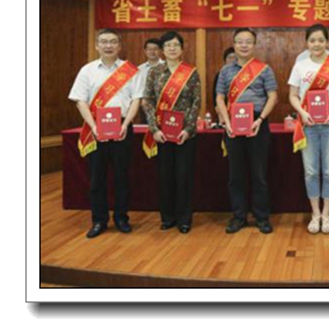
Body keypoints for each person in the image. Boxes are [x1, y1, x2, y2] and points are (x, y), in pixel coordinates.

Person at [68, 28, 144, 238]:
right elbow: (80, 101)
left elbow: (137, 99)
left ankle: (121, 218)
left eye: (112, 41)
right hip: (95, 127)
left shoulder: (130, 70)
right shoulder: (87, 70)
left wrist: (126, 124)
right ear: (97, 45)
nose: (108, 45)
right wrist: (93, 126)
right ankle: (99, 220)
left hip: (122, 127)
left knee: (122, 176)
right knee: (97, 178)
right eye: (104, 41)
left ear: (119, 46)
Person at [288, 24, 329, 234]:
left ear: (327, 41)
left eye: (321, 40)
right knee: (311, 171)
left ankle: (327, 213)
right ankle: (315, 213)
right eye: (312, 40)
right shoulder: (300, 66)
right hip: (308, 125)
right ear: (307, 42)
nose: (317, 44)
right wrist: (302, 112)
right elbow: (292, 95)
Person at [216, 28, 278, 235]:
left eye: (248, 42)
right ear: (234, 44)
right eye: (240, 41)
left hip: (257, 123)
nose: (244, 45)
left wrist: (260, 119)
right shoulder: (225, 71)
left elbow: (273, 96)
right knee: (236, 174)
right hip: (233, 124)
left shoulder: (264, 69)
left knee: (259, 174)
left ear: (254, 45)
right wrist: (227, 122)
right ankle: (239, 216)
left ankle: (262, 217)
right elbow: (219, 98)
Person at [141, 31, 201, 234]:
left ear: (182, 48)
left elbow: (196, 102)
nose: (172, 48)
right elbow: (148, 100)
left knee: (184, 176)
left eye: (175, 45)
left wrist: (188, 129)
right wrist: (154, 129)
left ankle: (184, 219)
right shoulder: (154, 72)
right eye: (168, 45)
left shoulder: (191, 72)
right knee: (165, 176)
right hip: (161, 134)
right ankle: (167, 217)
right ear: (162, 50)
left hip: (185, 134)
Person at [213, 47, 236, 116]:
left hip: (240, 109)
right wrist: (220, 113)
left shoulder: (243, 74)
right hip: (224, 109)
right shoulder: (220, 74)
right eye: (229, 58)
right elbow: (215, 95)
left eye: (234, 58)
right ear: (225, 60)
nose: (232, 60)